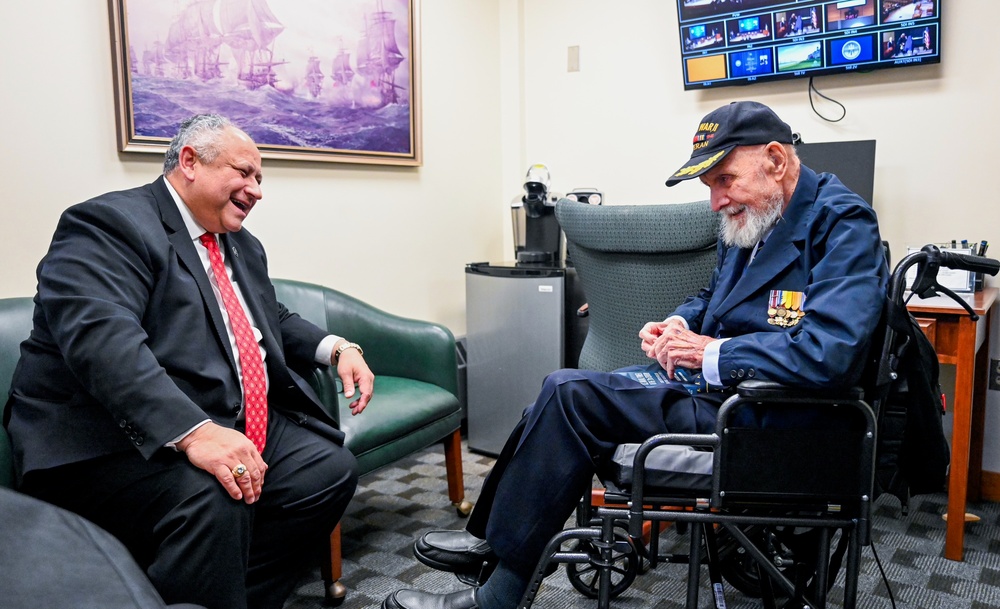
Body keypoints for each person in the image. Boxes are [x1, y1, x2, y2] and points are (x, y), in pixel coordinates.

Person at [382, 101, 888, 609]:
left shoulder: (843, 224)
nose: (715, 201)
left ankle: (498, 587)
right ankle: (492, 544)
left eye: (723, 180)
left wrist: (713, 352)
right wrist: (681, 322)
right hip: (721, 391)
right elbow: (713, 298)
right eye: (709, 185)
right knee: (555, 395)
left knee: (569, 392)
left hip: (771, 414)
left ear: (776, 160)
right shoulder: (753, 216)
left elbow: (830, 354)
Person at [3, 114, 374, 609]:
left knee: (327, 469)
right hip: (108, 437)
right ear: (190, 161)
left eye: (260, 178)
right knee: (218, 492)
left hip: (221, 413)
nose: (256, 190)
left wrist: (338, 348)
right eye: (244, 172)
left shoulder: (240, 244)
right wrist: (196, 432)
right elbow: (102, 341)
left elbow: (269, 316)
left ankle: (228, 595)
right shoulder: (109, 224)